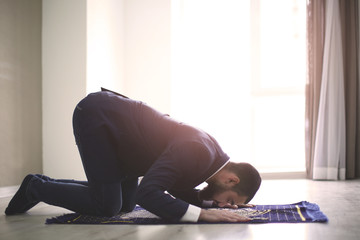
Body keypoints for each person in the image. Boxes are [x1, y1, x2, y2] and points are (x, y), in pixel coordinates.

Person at [5, 88, 261, 223]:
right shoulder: (198, 151)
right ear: (231, 181)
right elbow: (147, 193)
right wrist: (202, 214)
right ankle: (35, 188)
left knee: (124, 205)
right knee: (106, 206)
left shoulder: (209, 158)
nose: (225, 203)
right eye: (229, 198)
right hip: (100, 119)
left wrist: (215, 205)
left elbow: (177, 188)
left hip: (124, 145)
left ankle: (43, 184)